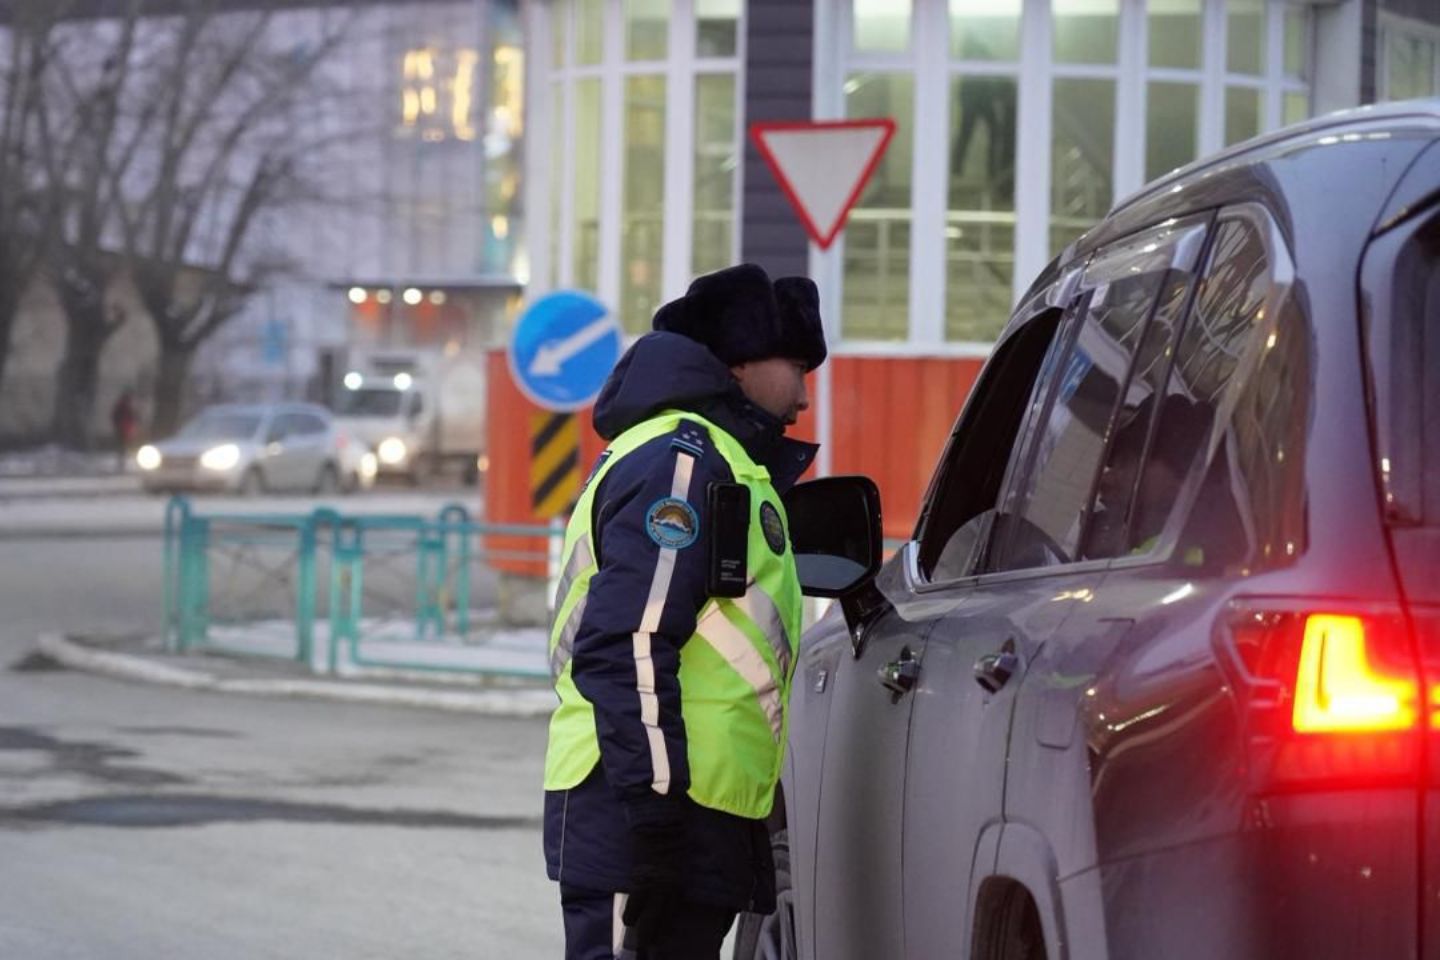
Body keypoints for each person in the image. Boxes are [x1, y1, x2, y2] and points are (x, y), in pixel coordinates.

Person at [543, 263, 827, 960]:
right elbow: (628, 639)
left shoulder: (717, 461)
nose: (803, 395)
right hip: (647, 810)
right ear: (740, 364)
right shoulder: (682, 460)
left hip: (685, 813)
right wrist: (655, 805)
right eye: (796, 366)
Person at [110, 389, 139, 472]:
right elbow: (117, 417)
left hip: (125, 429)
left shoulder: (125, 406)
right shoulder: (123, 406)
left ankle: (122, 463)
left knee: (123, 447)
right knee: (122, 447)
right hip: (123, 429)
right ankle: (121, 464)